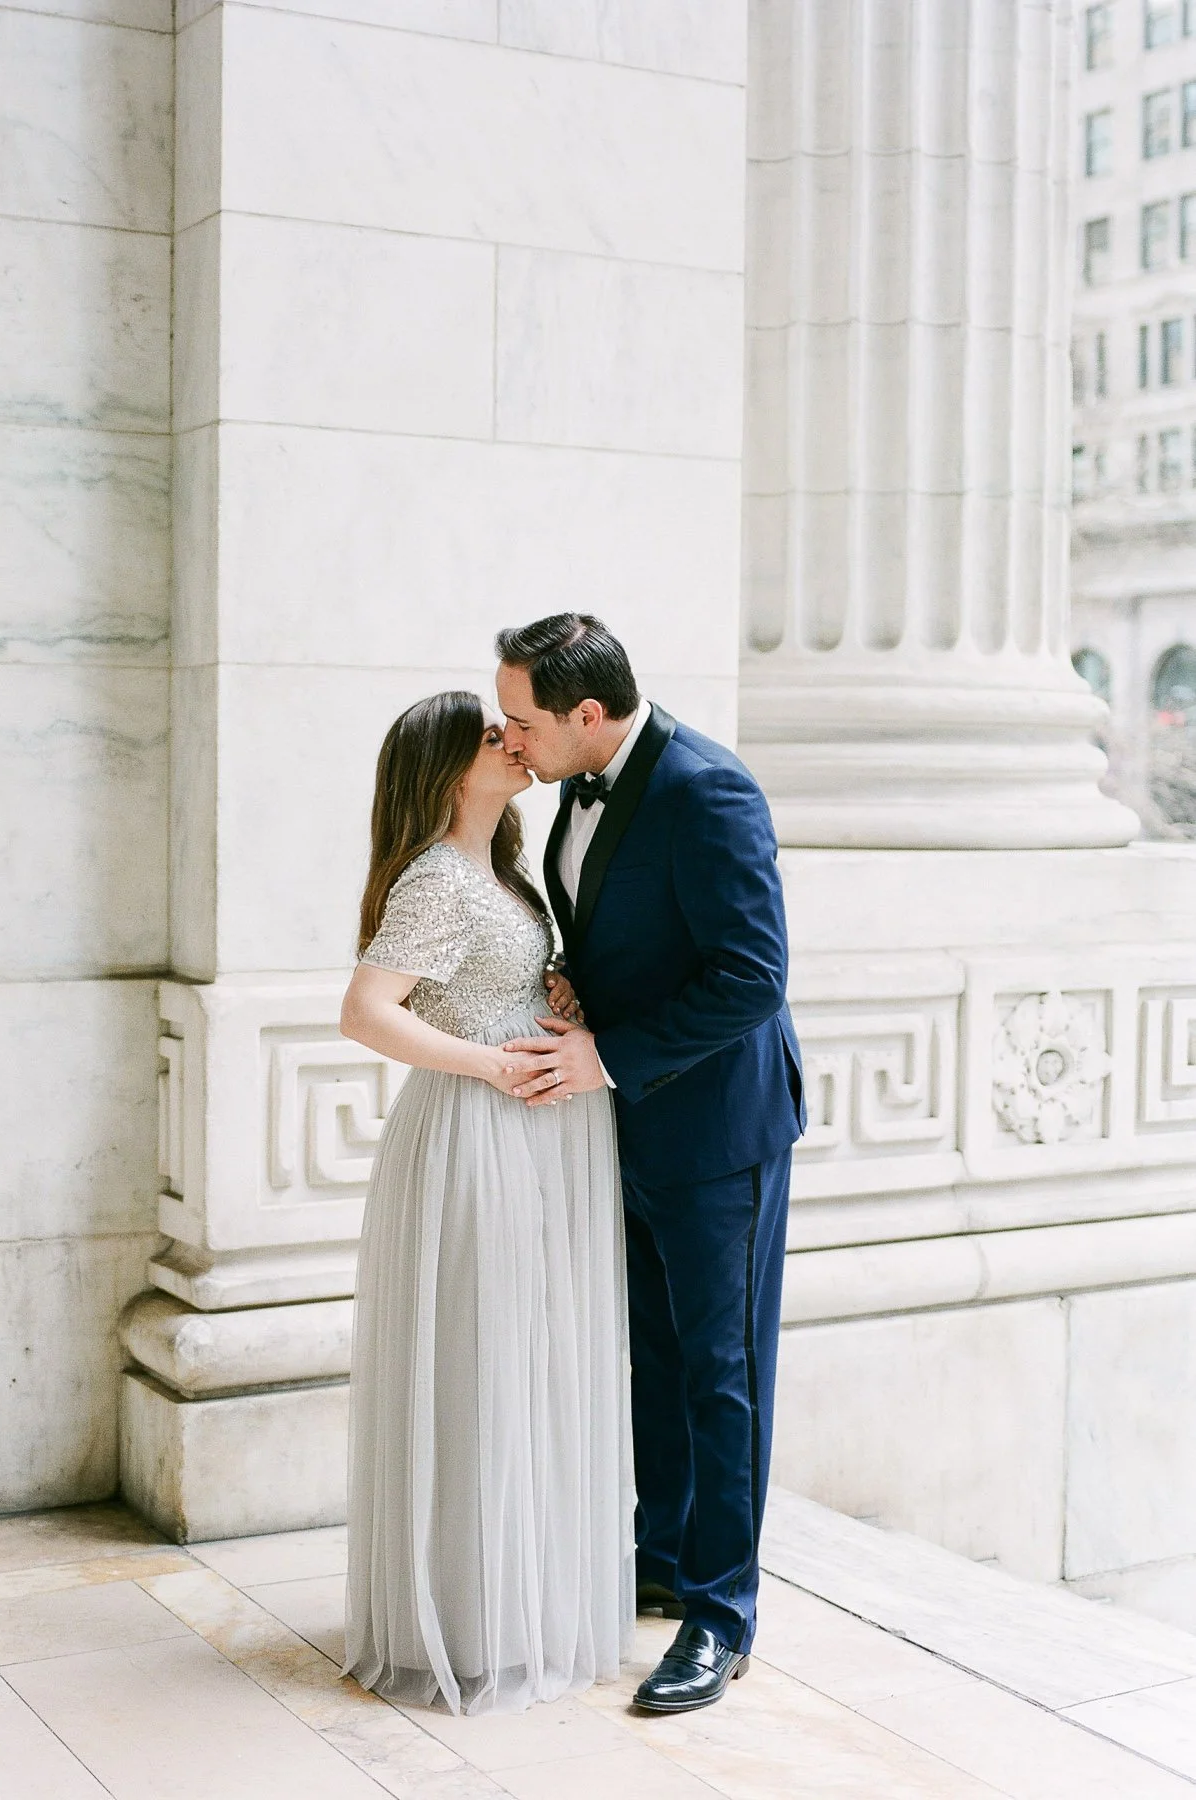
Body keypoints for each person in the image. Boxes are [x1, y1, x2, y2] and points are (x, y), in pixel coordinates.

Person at [495, 614, 805, 1715]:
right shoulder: (571, 793)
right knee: (655, 1358)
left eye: (524, 720)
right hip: (624, 1123)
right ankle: (665, 1558)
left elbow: (751, 979)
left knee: (721, 1373)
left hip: (719, 1131)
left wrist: (607, 1055)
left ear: (588, 716)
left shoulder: (707, 791)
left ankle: (721, 1616)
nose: (508, 736)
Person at [339, 690, 633, 1716]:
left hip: (535, 1140)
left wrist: (552, 997)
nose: (511, 743)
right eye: (489, 736)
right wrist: (492, 1067)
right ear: (446, 769)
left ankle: (518, 1600)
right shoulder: (434, 880)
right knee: (481, 1362)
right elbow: (366, 1012)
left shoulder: (504, 873)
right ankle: (467, 1618)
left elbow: (486, 985)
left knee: (525, 1364)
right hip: (480, 1137)